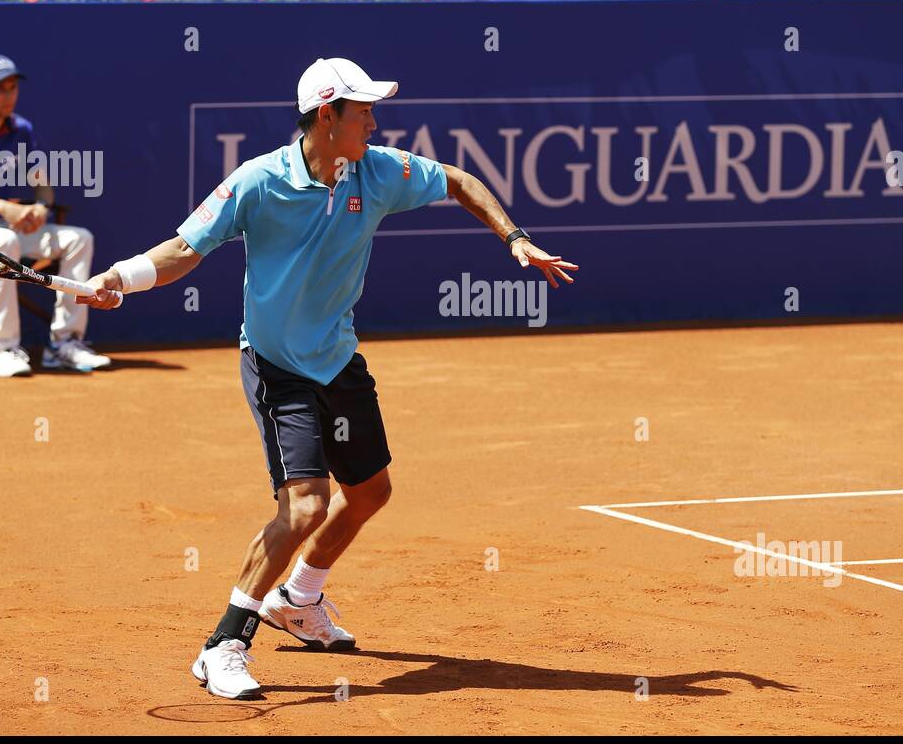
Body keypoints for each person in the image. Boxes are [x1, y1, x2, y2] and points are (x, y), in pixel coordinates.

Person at [78, 57, 579, 699]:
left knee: (370, 492)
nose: (374, 121)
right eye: (362, 111)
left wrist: (514, 237)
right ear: (325, 116)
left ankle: (298, 599)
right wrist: (118, 278)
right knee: (306, 502)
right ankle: (224, 645)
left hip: (337, 360)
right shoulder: (259, 182)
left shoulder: (379, 170)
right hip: (276, 364)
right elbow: (182, 250)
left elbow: (456, 179)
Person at [0, 54, 111, 377]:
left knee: (79, 239)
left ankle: (65, 343)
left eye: (12, 88)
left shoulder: (22, 130)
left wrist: (40, 207)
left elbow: (43, 187)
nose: (8, 95)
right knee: (4, 240)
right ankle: (5, 348)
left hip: (4, 226)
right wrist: (3, 207)